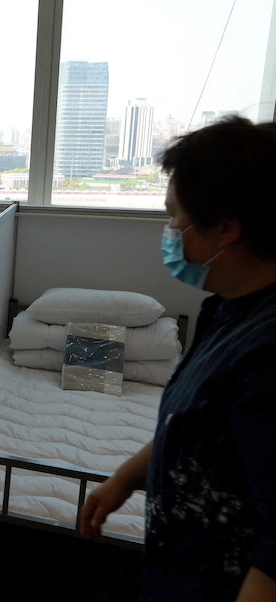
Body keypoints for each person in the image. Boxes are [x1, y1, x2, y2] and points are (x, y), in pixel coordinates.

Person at [79, 117, 276, 601]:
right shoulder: (225, 311)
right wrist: (127, 476)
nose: (169, 232)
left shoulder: (267, 353)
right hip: (179, 567)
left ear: (225, 229)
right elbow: (195, 426)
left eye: (174, 217)